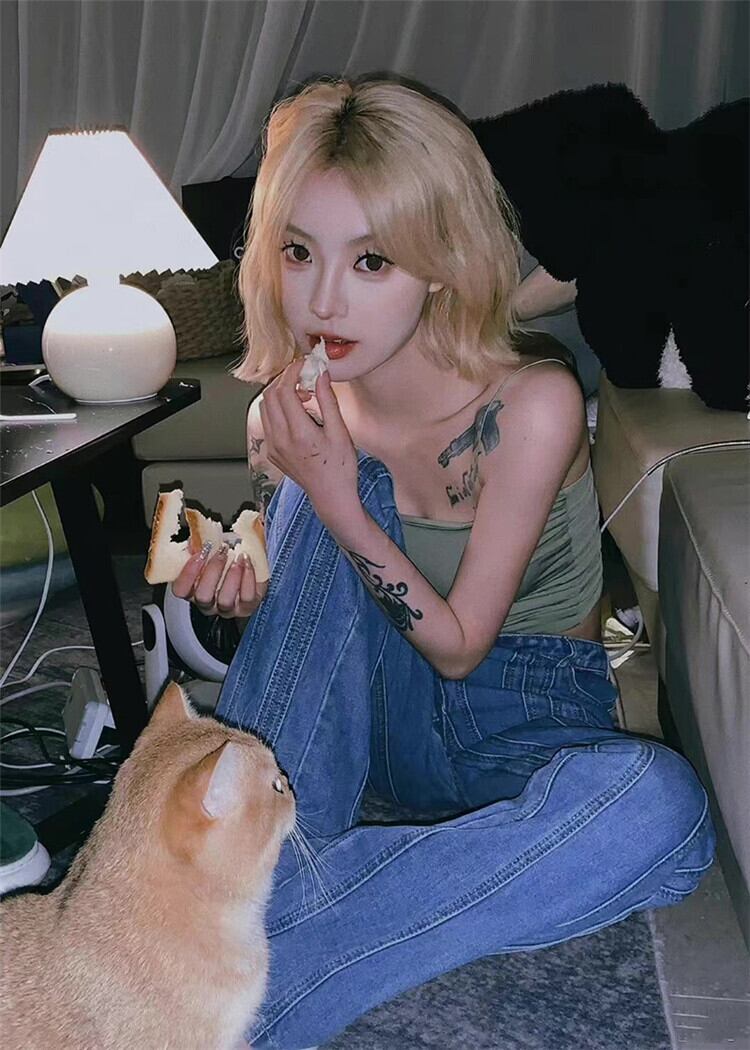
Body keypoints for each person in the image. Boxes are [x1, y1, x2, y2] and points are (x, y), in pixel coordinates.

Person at [172, 76, 715, 1050]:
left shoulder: (533, 403)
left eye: (371, 260)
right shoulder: (291, 410)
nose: (324, 299)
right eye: (298, 252)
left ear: (438, 262)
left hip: (522, 730)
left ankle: (259, 940)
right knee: (336, 487)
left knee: (665, 812)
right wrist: (242, 594)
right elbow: (317, 645)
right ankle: (262, 877)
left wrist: (338, 497)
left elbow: (462, 648)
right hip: (369, 729)